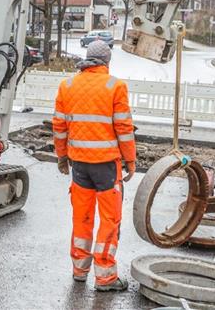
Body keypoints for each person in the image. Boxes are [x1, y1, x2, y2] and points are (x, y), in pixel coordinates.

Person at [52, 40, 136, 292]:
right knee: (109, 219)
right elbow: (124, 129)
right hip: (106, 166)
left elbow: (59, 127)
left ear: (87, 59)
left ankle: (80, 270)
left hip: (79, 165)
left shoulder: (67, 86)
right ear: (107, 61)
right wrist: (130, 160)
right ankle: (105, 277)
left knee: (82, 217)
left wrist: (62, 157)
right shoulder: (115, 86)